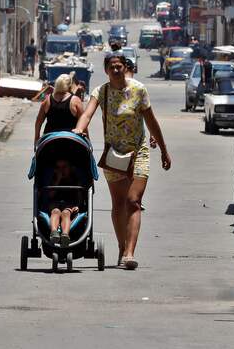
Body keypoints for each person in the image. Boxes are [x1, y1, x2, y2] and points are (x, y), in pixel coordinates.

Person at [74, 53, 172, 270]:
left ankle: (129, 253)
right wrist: (79, 128)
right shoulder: (101, 91)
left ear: (125, 67)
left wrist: (164, 150)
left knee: (133, 201)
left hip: (139, 152)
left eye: (119, 66)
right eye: (112, 67)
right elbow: (87, 114)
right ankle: (121, 246)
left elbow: (151, 121)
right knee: (118, 204)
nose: (116, 70)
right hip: (114, 156)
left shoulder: (138, 90)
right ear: (106, 70)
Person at [34, 73, 83, 143]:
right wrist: (88, 139)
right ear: (70, 86)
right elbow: (83, 121)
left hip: (49, 140)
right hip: (71, 140)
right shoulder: (75, 100)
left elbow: (38, 121)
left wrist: (36, 138)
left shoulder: (47, 100)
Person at [46, 159, 81, 248]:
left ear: (70, 168)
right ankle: (54, 232)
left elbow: (79, 196)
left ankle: (65, 234)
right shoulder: (53, 179)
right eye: (58, 168)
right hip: (55, 203)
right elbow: (50, 195)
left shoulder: (75, 179)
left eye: (64, 167)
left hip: (69, 203)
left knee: (66, 213)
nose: (61, 170)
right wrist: (58, 179)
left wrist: (78, 205)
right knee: (56, 212)